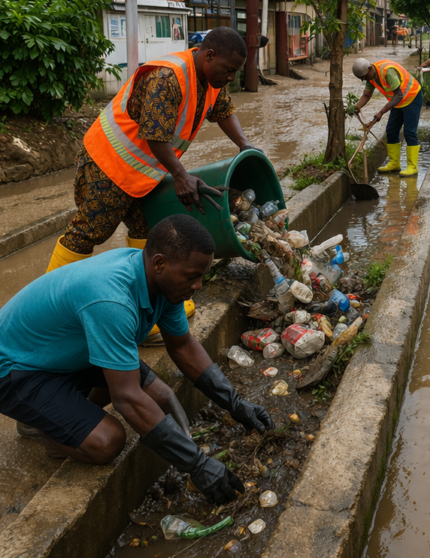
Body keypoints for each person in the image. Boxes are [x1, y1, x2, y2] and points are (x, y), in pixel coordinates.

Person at [0, 215, 273, 504]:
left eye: (201, 276)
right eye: (192, 276)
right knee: (107, 441)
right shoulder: (112, 299)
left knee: (156, 392)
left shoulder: (164, 284)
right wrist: (197, 464)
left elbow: (182, 346)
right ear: (159, 263)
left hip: (61, 353)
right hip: (16, 369)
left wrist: (235, 403)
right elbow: (126, 398)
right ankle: (53, 432)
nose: (198, 286)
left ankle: (65, 416)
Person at [47, 27, 260, 275]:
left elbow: (223, 111)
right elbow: (155, 134)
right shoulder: (168, 78)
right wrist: (181, 176)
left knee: (150, 229)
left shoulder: (212, 80)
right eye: (230, 70)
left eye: (236, 72)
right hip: (108, 163)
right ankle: (50, 298)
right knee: (91, 230)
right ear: (209, 55)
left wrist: (245, 144)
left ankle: (149, 295)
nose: (232, 78)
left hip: (144, 173)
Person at [351, 57, 422, 177]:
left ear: (369, 68)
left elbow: (398, 95)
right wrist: (356, 107)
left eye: (364, 77)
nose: (364, 80)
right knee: (391, 131)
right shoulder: (370, 76)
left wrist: (381, 112)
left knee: (409, 132)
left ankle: (412, 167)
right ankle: (394, 163)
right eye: (362, 79)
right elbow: (366, 94)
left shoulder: (387, 71)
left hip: (411, 97)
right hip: (398, 102)